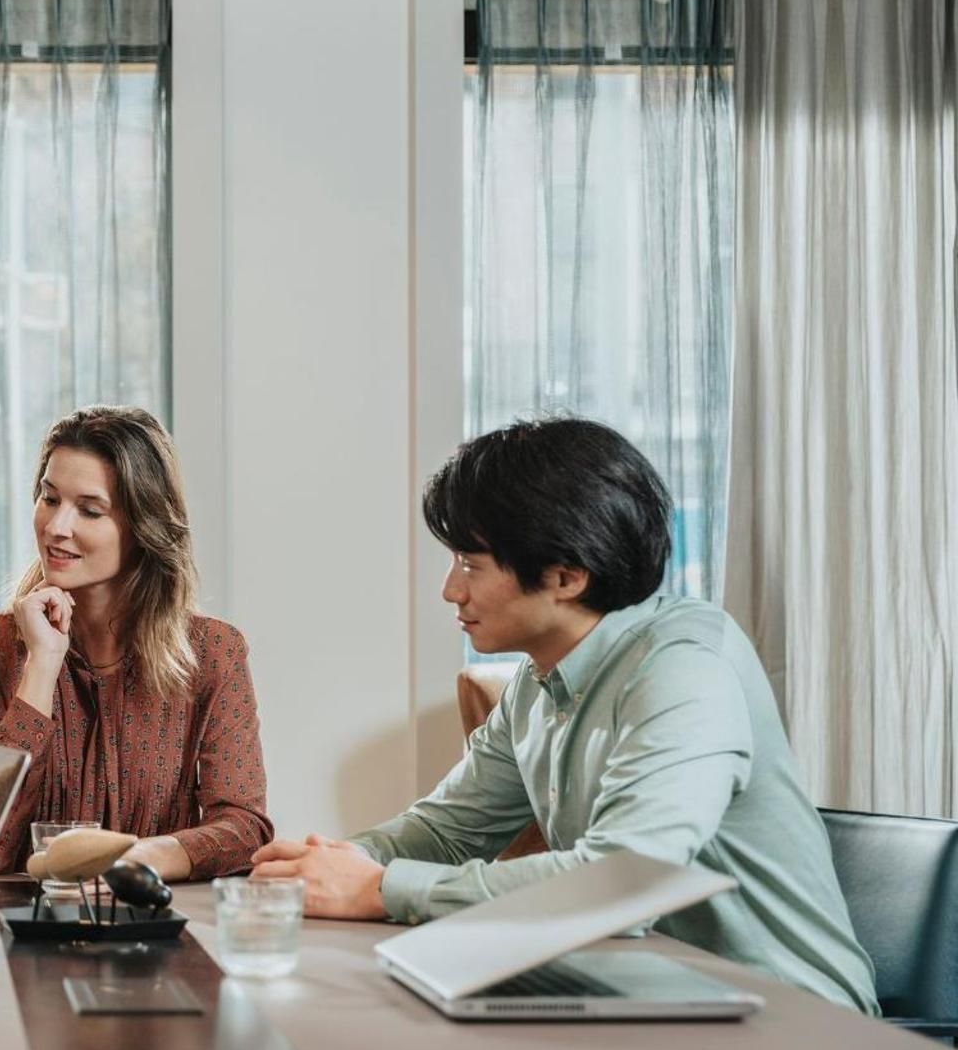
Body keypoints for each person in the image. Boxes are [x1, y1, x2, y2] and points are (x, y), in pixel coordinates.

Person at [253, 417, 878, 1012]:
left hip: (789, 1019)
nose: (451, 590)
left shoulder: (687, 666)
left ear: (566, 576)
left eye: (470, 564)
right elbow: (445, 833)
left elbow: (628, 881)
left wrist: (376, 888)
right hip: (647, 994)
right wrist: (319, 866)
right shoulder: (539, 678)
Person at [0, 406, 271, 882]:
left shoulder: (214, 653)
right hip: (12, 937)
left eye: (89, 510)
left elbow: (243, 829)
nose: (56, 527)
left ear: (143, 526)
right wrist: (40, 668)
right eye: (49, 499)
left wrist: (138, 857)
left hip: (154, 931)